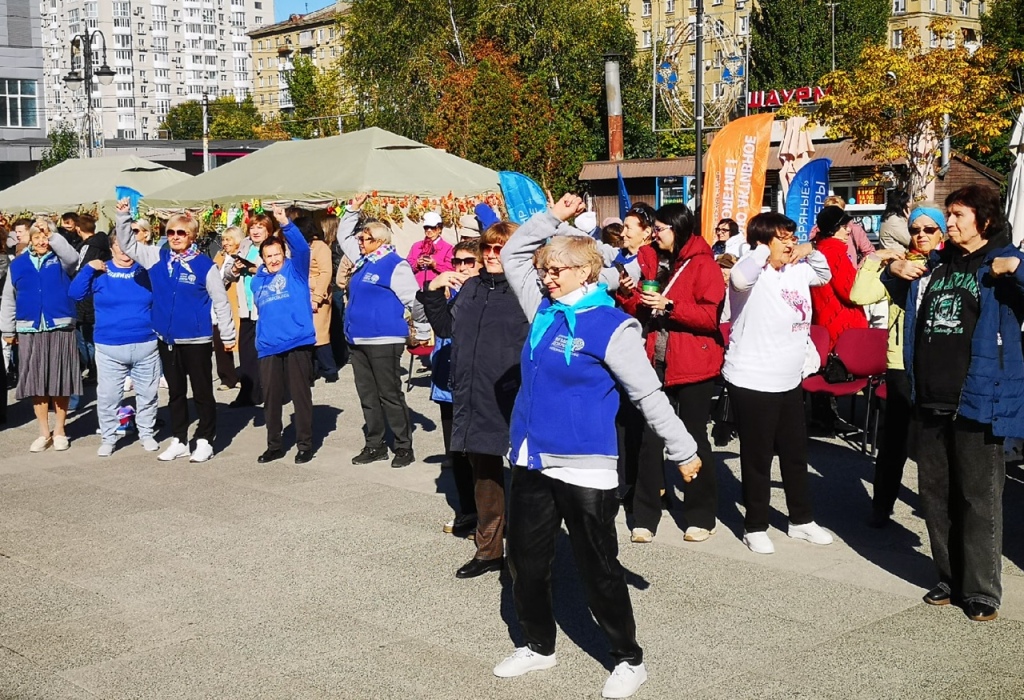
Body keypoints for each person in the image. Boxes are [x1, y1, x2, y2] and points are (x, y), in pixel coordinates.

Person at [494, 194, 701, 699]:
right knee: (524, 561)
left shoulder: (613, 325)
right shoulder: (541, 308)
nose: (547, 276)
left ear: (586, 273)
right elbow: (511, 254)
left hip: (585, 465)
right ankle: (539, 647)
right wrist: (554, 219)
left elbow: (645, 393)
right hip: (530, 457)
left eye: (558, 269)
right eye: (546, 269)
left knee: (598, 568)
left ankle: (628, 658)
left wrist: (683, 448)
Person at [887, 185, 1024, 622]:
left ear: (983, 220)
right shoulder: (936, 265)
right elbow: (892, 287)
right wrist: (894, 266)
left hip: (979, 398)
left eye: (957, 214)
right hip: (928, 396)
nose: (949, 222)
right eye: (948, 213)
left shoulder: (1000, 262)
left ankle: (982, 589)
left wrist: (1017, 268)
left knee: (979, 496)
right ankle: (948, 576)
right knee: (935, 494)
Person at [420, 223, 530, 580]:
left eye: (501, 249)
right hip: (473, 394)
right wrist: (433, 291)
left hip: (515, 397)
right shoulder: (470, 288)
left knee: (526, 480)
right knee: (485, 478)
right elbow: (446, 329)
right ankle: (489, 551)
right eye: (488, 249)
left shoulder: (528, 290)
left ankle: (528, 551)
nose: (492, 255)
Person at [723, 212, 835, 555]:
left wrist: (808, 249)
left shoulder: (796, 269)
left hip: (789, 377)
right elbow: (739, 280)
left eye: (791, 236)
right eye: (782, 237)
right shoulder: (751, 270)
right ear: (762, 241)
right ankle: (755, 524)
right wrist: (761, 251)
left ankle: (801, 520)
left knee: (794, 453)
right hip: (753, 378)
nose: (789, 243)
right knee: (757, 457)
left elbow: (825, 274)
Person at [616, 203, 725, 544]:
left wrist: (670, 306)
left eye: (661, 227)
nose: (654, 233)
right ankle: (645, 515)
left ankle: (700, 516)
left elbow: (710, 317)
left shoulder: (703, 263)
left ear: (678, 229)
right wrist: (626, 291)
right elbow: (638, 307)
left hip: (694, 364)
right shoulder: (649, 258)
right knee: (649, 441)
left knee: (693, 439)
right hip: (655, 362)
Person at [850, 203, 946, 527]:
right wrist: (879, 260)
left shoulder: (951, 267)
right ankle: (882, 506)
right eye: (915, 230)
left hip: (937, 365)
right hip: (900, 363)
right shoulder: (900, 265)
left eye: (929, 230)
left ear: (942, 233)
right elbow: (859, 295)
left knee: (938, 443)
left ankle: (943, 512)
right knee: (895, 440)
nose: (921, 235)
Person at [117, 206, 236, 462]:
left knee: (203, 392)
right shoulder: (156, 256)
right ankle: (180, 438)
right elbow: (126, 243)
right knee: (176, 392)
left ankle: (205, 439)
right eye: (170, 232)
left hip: (196, 339)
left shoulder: (205, 265)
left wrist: (227, 335)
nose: (175, 236)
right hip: (167, 339)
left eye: (181, 232)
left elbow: (221, 301)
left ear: (192, 236)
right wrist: (123, 216)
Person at [69, 206, 160, 456]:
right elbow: (75, 294)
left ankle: (147, 433)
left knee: (148, 395)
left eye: (128, 244)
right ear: (112, 248)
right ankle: (108, 437)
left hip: (146, 344)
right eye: (119, 245)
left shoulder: (146, 271)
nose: (124, 250)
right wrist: (89, 268)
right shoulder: (101, 271)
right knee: (108, 397)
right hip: (109, 347)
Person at [338, 194, 419, 468]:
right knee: (368, 396)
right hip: (358, 338)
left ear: (381, 241)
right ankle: (375, 445)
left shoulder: (395, 264)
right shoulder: (363, 261)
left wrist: (421, 328)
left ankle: (403, 446)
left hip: (384, 338)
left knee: (389, 394)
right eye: (360, 238)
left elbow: (414, 300)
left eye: (366, 238)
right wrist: (352, 210)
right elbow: (342, 236)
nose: (360, 242)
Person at [419, 239, 482, 539]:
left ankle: (490, 516)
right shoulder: (450, 291)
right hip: (448, 385)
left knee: (482, 456)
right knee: (456, 454)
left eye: (469, 261)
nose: (462, 267)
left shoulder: (487, 293)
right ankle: (468, 512)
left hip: (478, 386)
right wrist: (433, 289)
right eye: (457, 261)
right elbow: (433, 325)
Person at [1, 219, 82, 452]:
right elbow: (9, 298)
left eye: (44, 236)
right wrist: (8, 329)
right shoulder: (18, 263)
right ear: (29, 239)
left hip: (59, 326)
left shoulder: (60, 260)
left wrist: (53, 234)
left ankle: (60, 430)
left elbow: (74, 258)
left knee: (60, 380)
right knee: (37, 383)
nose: (41, 241)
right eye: (36, 236)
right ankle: (43, 432)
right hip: (29, 328)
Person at [250, 205, 317, 465]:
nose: (274, 259)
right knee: (271, 399)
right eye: (269, 256)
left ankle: (305, 444)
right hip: (268, 346)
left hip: (297, 341)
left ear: (283, 253)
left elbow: (302, 249)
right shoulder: (258, 280)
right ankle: (274, 445)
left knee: (300, 395)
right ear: (263, 259)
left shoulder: (295, 269)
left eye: (277, 254)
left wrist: (284, 223)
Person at [226, 213, 277, 407]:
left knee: (267, 351)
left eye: (260, 227)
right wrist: (237, 269)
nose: (255, 231)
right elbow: (229, 273)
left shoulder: (275, 247)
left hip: (265, 305)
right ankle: (247, 393)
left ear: (268, 230)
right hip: (246, 305)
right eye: (252, 227)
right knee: (246, 351)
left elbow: (278, 271)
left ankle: (268, 391)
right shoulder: (245, 245)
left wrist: (257, 269)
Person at [810, 205, 869, 349]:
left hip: (826, 323)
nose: (849, 230)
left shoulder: (820, 250)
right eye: (844, 226)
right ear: (833, 229)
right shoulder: (835, 253)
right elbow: (852, 292)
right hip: (844, 328)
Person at [293, 216, 337, 383]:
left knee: (320, 334)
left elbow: (326, 273)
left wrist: (317, 297)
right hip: (302, 295)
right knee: (306, 335)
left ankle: (330, 370)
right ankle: (311, 371)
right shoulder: (297, 247)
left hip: (318, 294)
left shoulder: (320, 247)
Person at [407, 211, 453, 344]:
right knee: (419, 321)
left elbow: (451, 269)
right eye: (426, 228)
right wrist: (417, 264)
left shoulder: (448, 248)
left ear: (439, 229)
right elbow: (408, 264)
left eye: (432, 228)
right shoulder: (417, 246)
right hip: (419, 290)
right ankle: (424, 350)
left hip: (438, 293)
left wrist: (435, 264)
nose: (429, 231)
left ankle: (437, 356)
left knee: (438, 323)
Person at [212, 227, 243, 392]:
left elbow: (233, 275)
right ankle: (227, 376)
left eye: (228, 240)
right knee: (219, 340)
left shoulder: (243, 256)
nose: (225, 243)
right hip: (219, 304)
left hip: (237, 302)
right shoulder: (219, 256)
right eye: (223, 240)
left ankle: (246, 375)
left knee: (242, 342)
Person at [810, 196, 876, 265]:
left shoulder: (854, 229)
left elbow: (869, 252)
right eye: (831, 211)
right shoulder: (817, 231)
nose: (834, 215)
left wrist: (858, 270)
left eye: (838, 212)